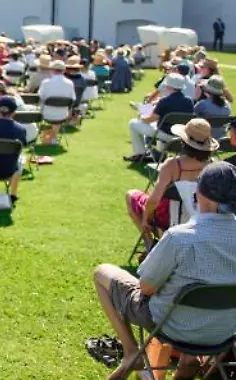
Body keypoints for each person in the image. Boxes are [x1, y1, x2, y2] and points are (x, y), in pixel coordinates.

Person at [93, 161, 236, 380]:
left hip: (173, 326)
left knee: (102, 272)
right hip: (223, 333)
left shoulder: (179, 237)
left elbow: (147, 287)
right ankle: (184, 371)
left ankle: (132, 352)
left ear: (199, 192)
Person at [126, 118, 216, 253]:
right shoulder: (213, 166)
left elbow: (154, 200)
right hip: (201, 219)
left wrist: (145, 219)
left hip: (169, 218)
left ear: (183, 141)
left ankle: (150, 243)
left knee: (131, 195)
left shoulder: (172, 165)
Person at [124, 74, 194, 162]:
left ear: (168, 86)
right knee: (154, 123)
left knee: (133, 123)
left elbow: (151, 119)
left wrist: (141, 117)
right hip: (181, 134)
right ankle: (156, 153)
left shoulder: (165, 101)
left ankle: (140, 154)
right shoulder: (189, 101)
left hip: (166, 133)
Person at [38, 60, 76, 145]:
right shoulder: (70, 83)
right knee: (57, 116)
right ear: (64, 70)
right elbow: (72, 99)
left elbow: (40, 97)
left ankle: (51, 138)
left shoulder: (46, 82)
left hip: (46, 114)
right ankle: (53, 138)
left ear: (52, 70)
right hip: (62, 114)